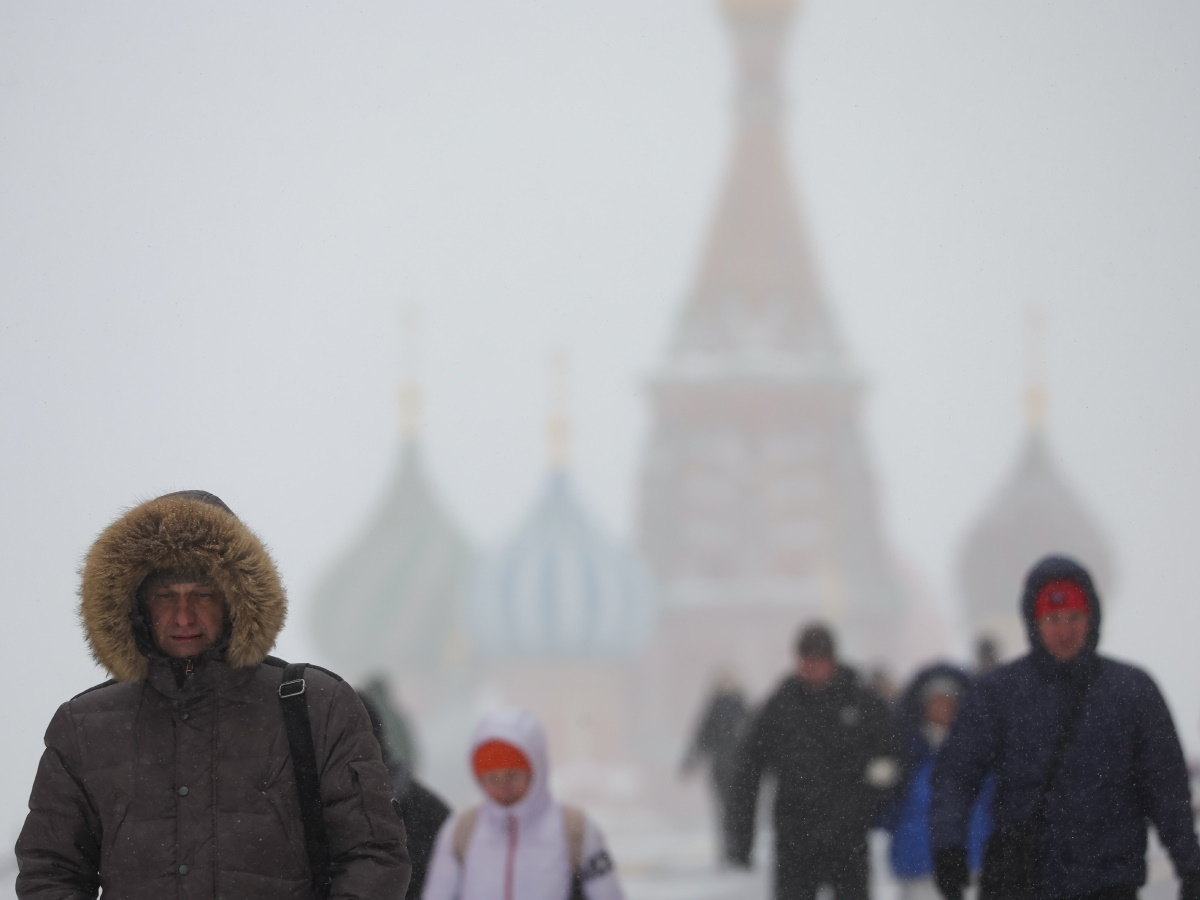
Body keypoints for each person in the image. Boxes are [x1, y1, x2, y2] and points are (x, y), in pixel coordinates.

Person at [15, 490, 410, 899]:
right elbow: (50, 871)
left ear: (235, 599)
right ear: (137, 606)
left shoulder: (314, 704)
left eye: (203, 594)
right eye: (165, 596)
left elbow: (373, 854)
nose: (184, 615)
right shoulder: (84, 726)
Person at [931, 555, 1200, 900]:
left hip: (1107, 882)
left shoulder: (1132, 692)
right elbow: (956, 774)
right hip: (1023, 880)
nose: (1064, 631)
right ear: (1034, 622)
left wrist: (1189, 863)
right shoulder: (999, 693)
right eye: (1052, 618)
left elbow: (1165, 788)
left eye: (1075, 617)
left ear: (1092, 619)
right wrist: (948, 847)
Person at [727, 622, 902, 900]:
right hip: (796, 839)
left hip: (848, 839)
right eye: (806, 660)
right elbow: (748, 772)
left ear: (832, 660)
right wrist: (741, 840)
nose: (811, 668)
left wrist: (867, 809)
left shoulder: (862, 702)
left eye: (818, 660)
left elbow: (891, 761)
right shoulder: (781, 706)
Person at [422, 707, 624, 900]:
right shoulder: (461, 831)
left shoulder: (576, 830)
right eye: (492, 778)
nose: (503, 787)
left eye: (513, 775)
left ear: (537, 771)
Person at [884, 664, 992, 900]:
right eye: (936, 701)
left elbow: (996, 802)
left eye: (948, 701)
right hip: (918, 867)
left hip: (970, 866)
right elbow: (889, 808)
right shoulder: (907, 754)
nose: (942, 708)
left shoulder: (981, 753)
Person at [680, 667, 749, 864]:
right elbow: (701, 736)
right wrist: (690, 761)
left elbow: (755, 737)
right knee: (726, 810)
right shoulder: (715, 707)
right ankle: (730, 851)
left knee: (739, 809)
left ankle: (739, 850)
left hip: (740, 768)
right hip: (722, 768)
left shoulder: (741, 705)